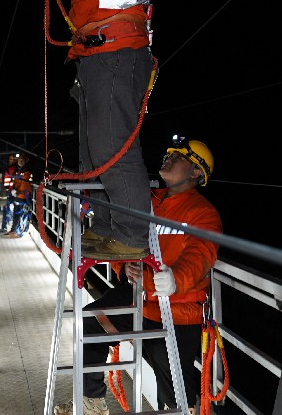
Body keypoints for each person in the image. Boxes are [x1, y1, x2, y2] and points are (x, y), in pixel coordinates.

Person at [54, 136, 222, 415]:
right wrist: (124, 267)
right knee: (91, 323)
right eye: (169, 153)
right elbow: (123, 240)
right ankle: (91, 403)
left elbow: (202, 254)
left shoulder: (202, 213)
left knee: (175, 393)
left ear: (196, 172)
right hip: (138, 299)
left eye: (178, 156)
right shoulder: (147, 200)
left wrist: (175, 279)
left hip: (178, 312)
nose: (168, 157)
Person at [46, 0, 155, 260]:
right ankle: (109, 227)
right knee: (96, 153)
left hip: (112, 58)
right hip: (104, 57)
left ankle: (131, 234)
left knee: (113, 152)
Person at [4, 167, 34, 238]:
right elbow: (17, 183)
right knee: (16, 215)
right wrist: (14, 190)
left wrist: (16, 191)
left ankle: (16, 231)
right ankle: (14, 231)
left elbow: (24, 187)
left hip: (22, 198)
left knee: (19, 215)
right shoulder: (21, 174)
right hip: (19, 197)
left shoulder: (26, 175)